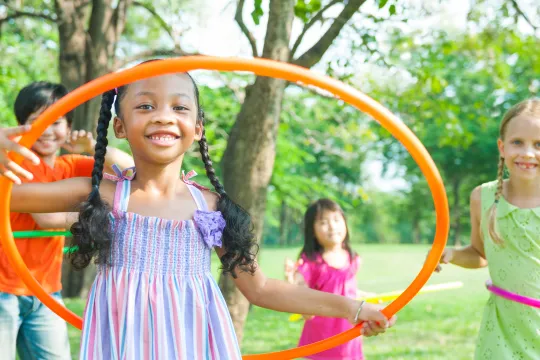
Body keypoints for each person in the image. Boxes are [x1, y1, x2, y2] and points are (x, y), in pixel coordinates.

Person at [4, 68, 396, 360]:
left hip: (194, 346)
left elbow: (260, 288)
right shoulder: (101, 194)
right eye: (145, 105)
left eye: (179, 106)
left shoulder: (210, 208)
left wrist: (351, 307)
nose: (162, 116)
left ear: (198, 128)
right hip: (121, 346)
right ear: (119, 126)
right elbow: (10, 198)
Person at [0, 81, 133, 360]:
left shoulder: (68, 166)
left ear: (69, 127)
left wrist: (95, 147)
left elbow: (132, 170)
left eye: (56, 121)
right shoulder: (17, 163)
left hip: (46, 289)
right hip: (4, 289)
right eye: (37, 121)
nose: (47, 130)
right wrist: (103, 218)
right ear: (21, 127)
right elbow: (47, 219)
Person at [434, 98, 540, 360]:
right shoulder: (483, 197)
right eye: (518, 142)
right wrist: (453, 255)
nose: (527, 153)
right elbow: (480, 255)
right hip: (502, 334)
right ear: (502, 147)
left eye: (538, 144)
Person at [285, 198, 376, 360]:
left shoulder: (353, 259)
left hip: (350, 337)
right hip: (321, 339)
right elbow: (304, 301)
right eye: (323, 222)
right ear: (312, 230)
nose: (332, 226)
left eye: (336, 219)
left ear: (345, 223)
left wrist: (363, 295)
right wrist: (292, 282)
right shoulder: (310, 262)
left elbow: (345, 289)